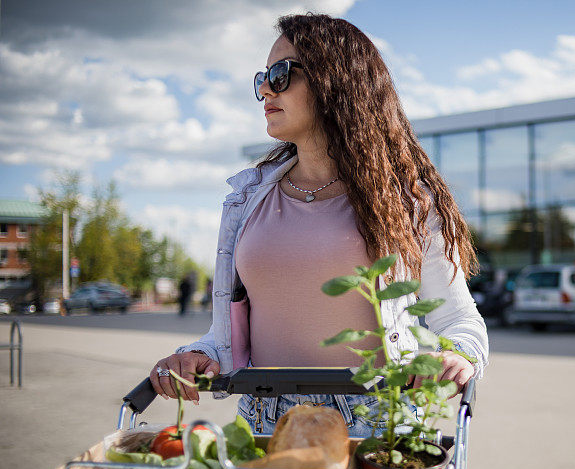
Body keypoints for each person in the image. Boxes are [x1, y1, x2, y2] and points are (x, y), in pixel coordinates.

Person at [149, 13, 489, 438]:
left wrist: (456, 355)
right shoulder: (246, 199)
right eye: (262, 79)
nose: (266, 90)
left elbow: (458, 319)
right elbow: (228, 338)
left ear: (335, 80)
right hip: (264, 421)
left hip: (375, 425)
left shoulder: (406, 201)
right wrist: (195, 354)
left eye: (280, 74)